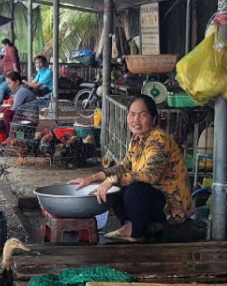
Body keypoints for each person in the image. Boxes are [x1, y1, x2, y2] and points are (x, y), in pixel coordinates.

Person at [68, 94, 191, 242]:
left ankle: (137, 235)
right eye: (132, 115)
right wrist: (91, 179)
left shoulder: (159, 140)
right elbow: (124, 166)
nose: (136, 120)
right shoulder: (137, 138)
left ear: (153, 118)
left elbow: (151, 175)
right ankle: (128, 226)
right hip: (155, 197)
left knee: (134, 191)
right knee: (118, 188)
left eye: (143, 115)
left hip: (171, 204)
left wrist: (112, 180)